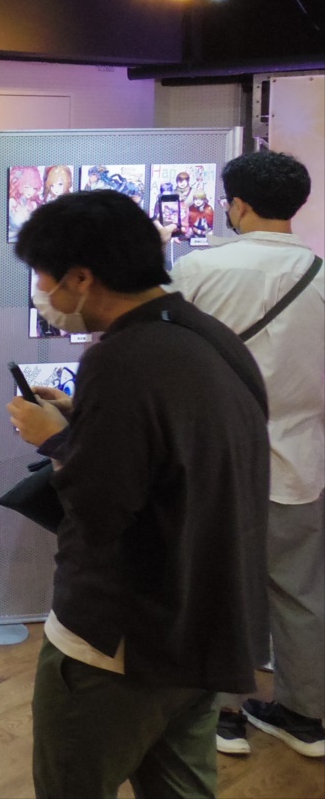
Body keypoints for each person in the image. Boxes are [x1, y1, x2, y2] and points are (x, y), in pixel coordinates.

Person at [6, 189, 270, 799]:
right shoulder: (207, 334)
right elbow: (173, 455)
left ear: (81, 277)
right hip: (200, 621)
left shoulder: (120, 359)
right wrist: (86, 421)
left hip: (118, 638)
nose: (42, 292)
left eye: (43, 276)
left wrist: (55, 439)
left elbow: (101, 506)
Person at [167, 150, 325, 758]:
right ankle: (305, 718)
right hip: (299, 459)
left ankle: (222, 716)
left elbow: (167, 356)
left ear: (237, 205)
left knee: (217, 587)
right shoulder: (320, 276)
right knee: (302, 595)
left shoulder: (199, 270)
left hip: (215, 459)